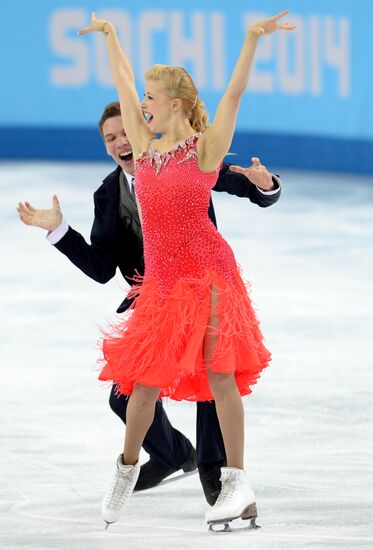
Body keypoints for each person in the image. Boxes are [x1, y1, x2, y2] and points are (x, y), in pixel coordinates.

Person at [17, 101, 281, 507]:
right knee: (124, 396)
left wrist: (265, 185)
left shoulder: (182, 159)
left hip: (199, 288)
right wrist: (60, 232)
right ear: (105, 147)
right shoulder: (107, 194)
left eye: (127, 132)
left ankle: (214, 467)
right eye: (111, 138)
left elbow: (240, 184)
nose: (121, 142)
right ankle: (175, 453)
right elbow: (103, 267)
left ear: (145, 130)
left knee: (213, 376)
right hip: (156, 303)